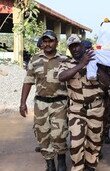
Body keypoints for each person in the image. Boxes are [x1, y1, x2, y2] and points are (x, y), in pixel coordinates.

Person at [19, 30, 68, 171]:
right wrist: (22, 103)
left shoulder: (64, 59)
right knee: (42, 134)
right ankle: (50, 163)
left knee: (59, 134)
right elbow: (27, 82)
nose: (48, 44)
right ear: (42, 43)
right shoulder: (34, 60)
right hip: (40, 104)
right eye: (45, 41)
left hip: (60, 103)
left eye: (51, 41)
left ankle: (61, 159)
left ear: (57, 42)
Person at [58, 34, 104, 171]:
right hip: (76, 109)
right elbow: (62, 77)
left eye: (77, 45)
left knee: (94, 141)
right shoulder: (65, 63)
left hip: (96, 108)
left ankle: (91, 166)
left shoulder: (97, 61)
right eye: (72, 47)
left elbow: (107, 83)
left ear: (83, 45)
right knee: (76, 143)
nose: (75, 49)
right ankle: (78, 168)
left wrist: (95, 65)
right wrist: (81, 64)